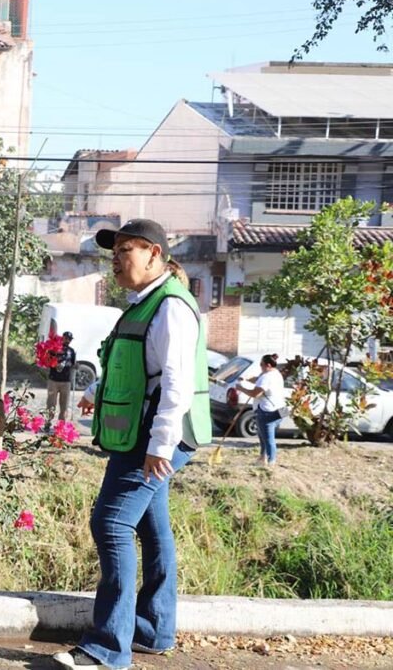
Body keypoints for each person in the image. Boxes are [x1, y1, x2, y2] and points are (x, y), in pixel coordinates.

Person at [52, 219, 212, 670]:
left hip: (156, 434)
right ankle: (152, 630)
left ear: (154, 254)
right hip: (148, 432)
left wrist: (160, 444)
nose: (117, 260)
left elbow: (176, 385)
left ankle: (106, 648)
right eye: (115, 252)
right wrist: (93, 391)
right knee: (150, 526)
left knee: (111, 524)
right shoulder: (145, 305)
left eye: (126, 250)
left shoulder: (171, 307)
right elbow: (134, 362)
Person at [236, 354, 284, 466]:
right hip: (280, 409)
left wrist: (241, 388)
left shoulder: (267, 377)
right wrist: (246, 379)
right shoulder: (276, 373)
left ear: (268, 365)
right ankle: (263, 458)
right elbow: (258, 379)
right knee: (263, 435)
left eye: (261, 365)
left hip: (267, 410)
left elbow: (255, 394)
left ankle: (271, 461)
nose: (260, 367)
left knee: (267, 438)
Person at [47, 331, 76, 423]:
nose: (67, 340)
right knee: (51, 404)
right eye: (66, 338)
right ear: (62, 338)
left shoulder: (71, 351)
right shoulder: (54, 349)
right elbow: (47, 361)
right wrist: (54, 364)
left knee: (64, 405)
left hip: (66, 381)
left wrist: (75, 366)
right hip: (53, 380)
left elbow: (73, 364)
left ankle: (61, 425)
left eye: (69, 339)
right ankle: (48, 422)